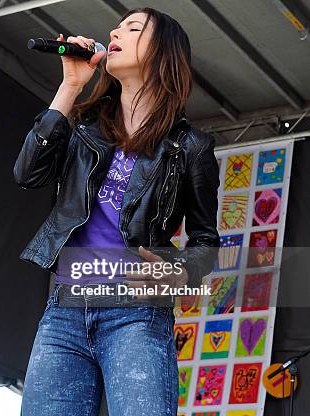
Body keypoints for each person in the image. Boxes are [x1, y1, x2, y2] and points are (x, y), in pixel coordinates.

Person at [14, 8, 220, 416]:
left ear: (163, 53)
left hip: (136, 313)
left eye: (133, 28)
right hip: (65, 311)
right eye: (117, 26)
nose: (115, 31)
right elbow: (27, 172)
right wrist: (70, 85)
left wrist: (179, 271)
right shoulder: (84, 126)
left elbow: (206, 242)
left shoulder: (191, 146)